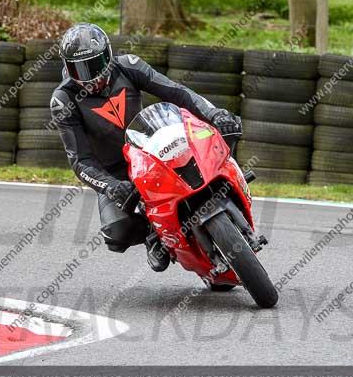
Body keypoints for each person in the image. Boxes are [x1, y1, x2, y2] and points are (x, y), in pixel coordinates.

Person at [50, 23, 242, 272]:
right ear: (66, 67)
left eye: (95, 64)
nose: (90, 76)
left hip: (151, 149)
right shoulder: (63, 99)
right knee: (117, 232)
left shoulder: (129, 66)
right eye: (79, 68)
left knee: (224, 133)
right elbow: (79, 160)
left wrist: (214, 114)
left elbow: (178, 93)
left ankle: (230, 182)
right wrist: (109, 186)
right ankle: (155, 235)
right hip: (116, 172)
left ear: (108, 55)